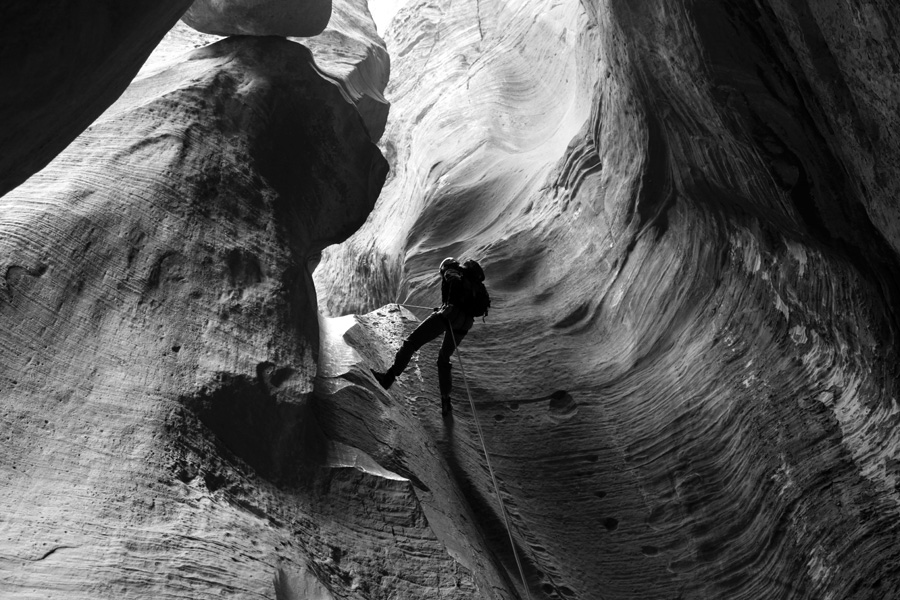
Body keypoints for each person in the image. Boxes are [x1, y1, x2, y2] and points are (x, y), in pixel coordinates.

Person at [372, 257, 487, 417]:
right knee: (444, 358)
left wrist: (449, 305)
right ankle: (446, 401)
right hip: (465, 323)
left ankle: (388, 378)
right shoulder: (472, 282)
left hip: (450, 315)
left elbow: (453, 283)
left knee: (411, 343)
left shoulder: (451, 271)